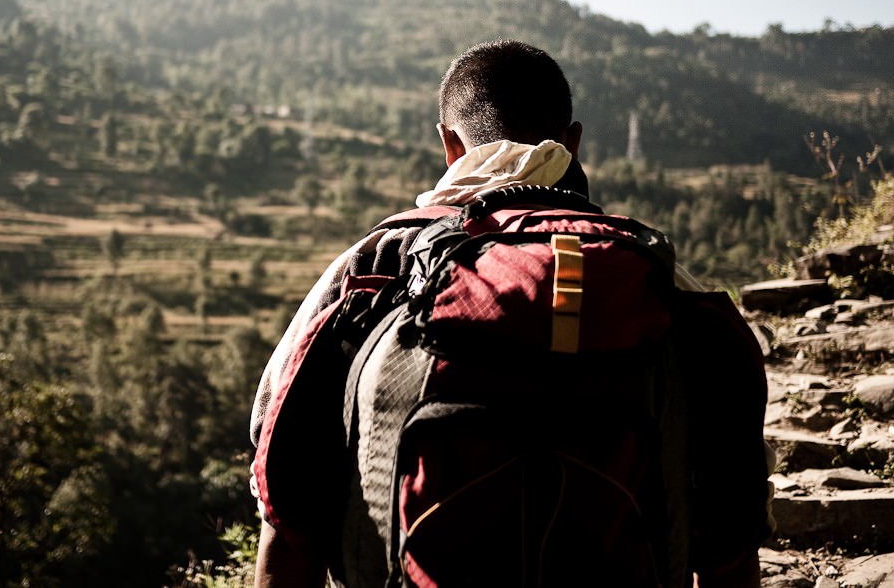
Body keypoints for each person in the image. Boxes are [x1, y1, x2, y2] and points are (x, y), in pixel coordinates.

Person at [249, 39, 770, 588]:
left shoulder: (377, 265)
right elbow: (731, 532)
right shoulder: (656, 277)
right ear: (572, 143)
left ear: (450, 146)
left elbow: (284, 496)